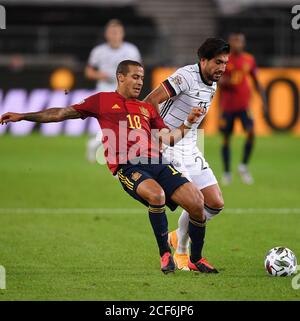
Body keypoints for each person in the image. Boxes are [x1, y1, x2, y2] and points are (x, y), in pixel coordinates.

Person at [0, 60, 218, 275]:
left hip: (157, 162)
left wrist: (188, 123)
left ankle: (196, 258)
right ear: (120, 77)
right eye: (135, 77)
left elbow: (169, 139)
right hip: (129, 166)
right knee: (157, 195)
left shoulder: (146, 108)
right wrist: (23, 116)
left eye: (142, 78)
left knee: (197, 203)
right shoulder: (102, 101)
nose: (140, 82)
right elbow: (60, 113)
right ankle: (165, 254)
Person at [144, 38, 230, 271]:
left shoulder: (212, 82)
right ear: (203, 60)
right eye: (218, 62)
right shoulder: (185, 77)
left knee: (214, 203)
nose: (222, 68)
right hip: (169, 146)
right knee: (195, 202)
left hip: (190, 145)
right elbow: (150, 101)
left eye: (225, 63)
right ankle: (183, 253)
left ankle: (177, 236)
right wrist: (157, 137)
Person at [85, 19, 142, 163]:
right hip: (105, 89)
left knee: (124, 124)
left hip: (124, 91)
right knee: (117, 122)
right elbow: (89, 71)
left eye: (117, 32)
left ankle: (98, 144)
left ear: (122, 34)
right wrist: (100, 75)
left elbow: (139, 70)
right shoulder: (98, 51)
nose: (115, 35)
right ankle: (118, 155)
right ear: (107, 34)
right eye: (112, 32)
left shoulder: (131, 50)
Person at [218, 32, 266, 185]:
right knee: (226, 138)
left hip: (244, 106)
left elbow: (256, 80)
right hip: (228, 107)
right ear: (230, 43)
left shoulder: (249, 59)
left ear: (243, 43)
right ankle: (226, 172)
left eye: (240, 41)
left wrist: (264, 102)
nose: (237, 44)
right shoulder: (224, 59)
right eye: (234, 41)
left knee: (251, 133)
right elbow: (217, 80)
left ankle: (243, 166)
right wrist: (223, 81)